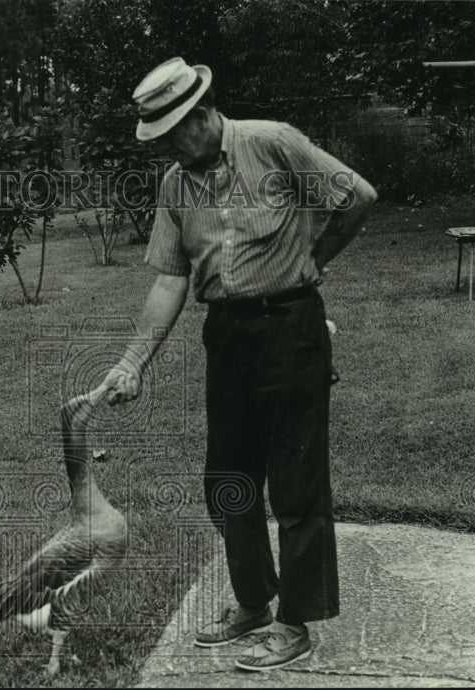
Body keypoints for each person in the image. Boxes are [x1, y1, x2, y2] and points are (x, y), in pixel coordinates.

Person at [100, 57, 377, 672]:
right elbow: (171, 280)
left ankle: (296, 622)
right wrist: (132, 362)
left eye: (175, 133)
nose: (170, 148)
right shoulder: (176, 184)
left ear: (200, 114)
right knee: (227, 480)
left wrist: (315, 258)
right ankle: (253, 601)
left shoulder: (273, 145)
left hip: (291, 330)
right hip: (226, 335)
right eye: (161, 140)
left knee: (297, 482)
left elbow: (357, 196)